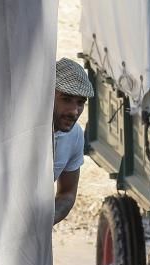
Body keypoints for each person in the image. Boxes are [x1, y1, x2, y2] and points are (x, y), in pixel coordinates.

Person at [53, 58, 94, 224]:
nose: (74, 111)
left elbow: (67, 194)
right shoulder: (21, 130)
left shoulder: (75, 135)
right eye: (66, 99)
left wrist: (45, 221)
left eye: (80, 103)